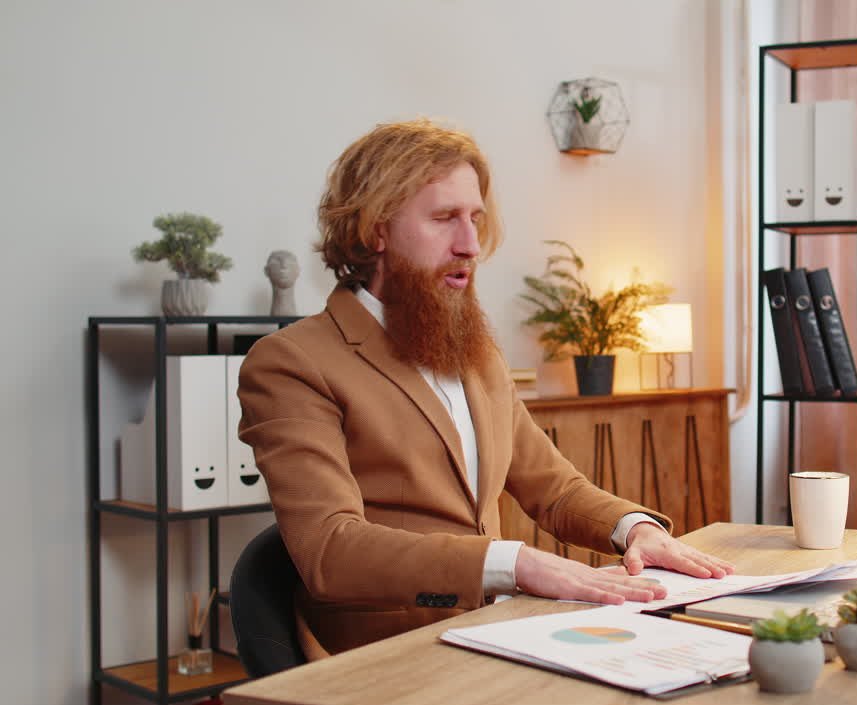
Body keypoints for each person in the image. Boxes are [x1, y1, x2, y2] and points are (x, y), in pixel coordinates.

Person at [237, 117, 733, 659]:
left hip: (498, 634)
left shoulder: (475, 354)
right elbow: (331, 552)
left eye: (474, 219)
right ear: (375, 230)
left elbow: (554, 489)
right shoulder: (292, 362)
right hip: (386, 658)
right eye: (444, 219)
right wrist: (516, 562)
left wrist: (633, 528)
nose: (471, 245)